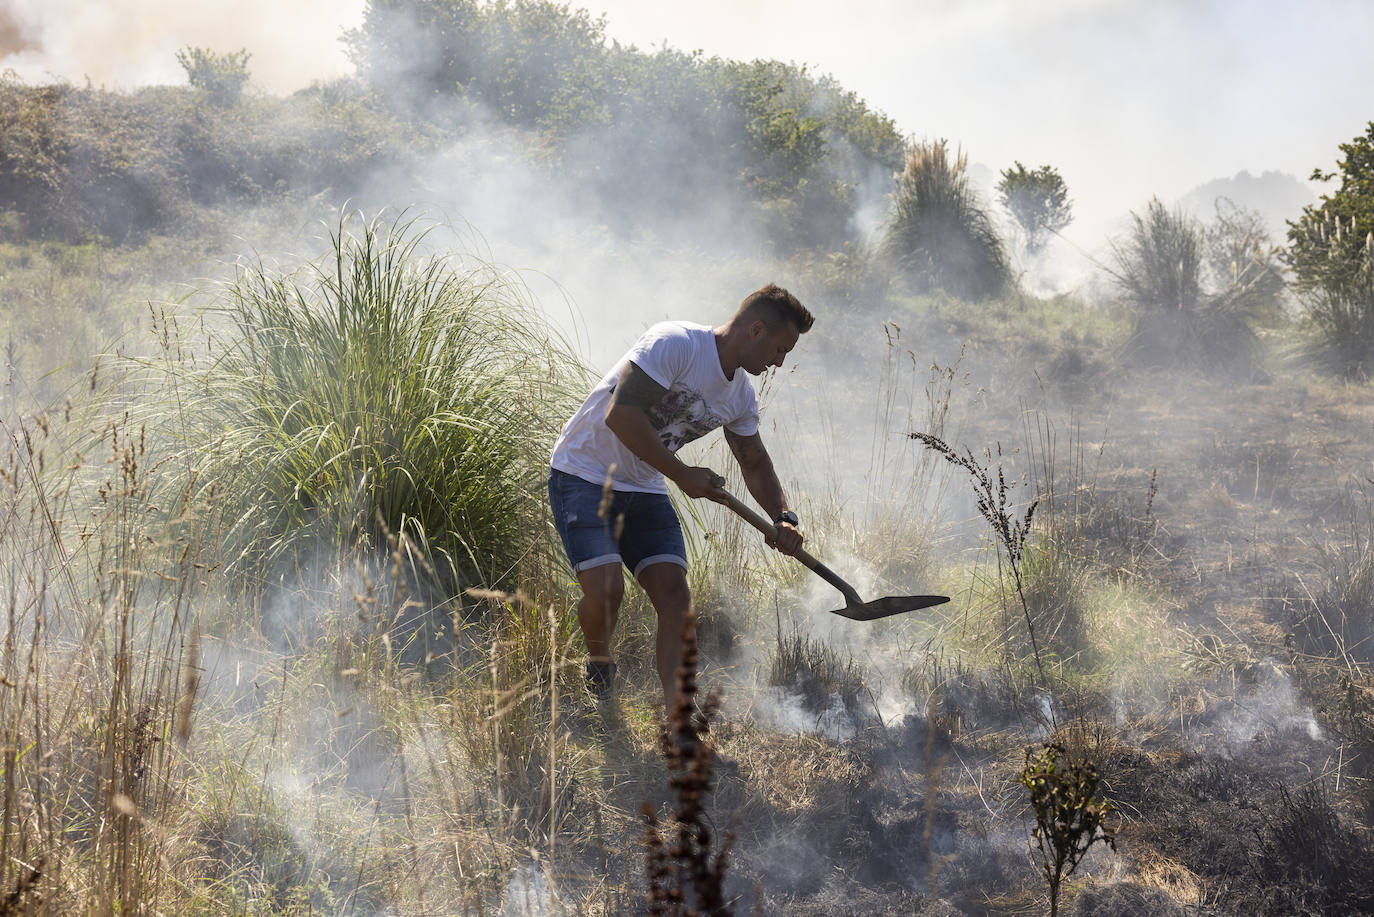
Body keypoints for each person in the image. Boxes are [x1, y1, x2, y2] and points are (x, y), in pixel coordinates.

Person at [548, 283, 813, 709]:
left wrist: (785, 517)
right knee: (607, 590)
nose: (779, 362)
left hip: (645, 485)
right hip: (584, 472)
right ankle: (599, 663)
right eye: (780, 350)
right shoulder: (675, 344)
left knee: (676, 601)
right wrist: (683, 475)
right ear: (756, 330)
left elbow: (754, 462)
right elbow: (621, 415)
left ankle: (677, 716)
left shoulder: (741, 396)